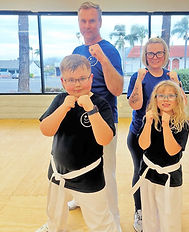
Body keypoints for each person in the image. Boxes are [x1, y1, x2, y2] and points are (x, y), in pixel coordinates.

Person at [36, 54, 120, 232]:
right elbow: (46, 130)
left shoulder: (100, 104)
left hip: (88, 176)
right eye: (71, 80)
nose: (77, 84)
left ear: (91, 78)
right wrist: (65, 107)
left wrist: (91, 109)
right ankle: (53, 228)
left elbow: (105, 139)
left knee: (100, 221)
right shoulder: (60, 100)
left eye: (82, 78)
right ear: (62, 81)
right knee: (54, 213)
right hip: (58, 171)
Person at [69, 1, 124, 229]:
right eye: (83, 20)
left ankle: (114, 220)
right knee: (77, 163)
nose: (88, 25)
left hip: (103, 118)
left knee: (106, 172)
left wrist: (102, 58)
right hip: (80, 120)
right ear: (79, 23)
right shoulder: (77, 51)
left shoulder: (110, 50)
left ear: (100, 22)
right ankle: (80, 198)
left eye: (92, 20)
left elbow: (118, 89)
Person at [127, 37, 187, 232]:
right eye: (150, 53)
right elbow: (135, 105)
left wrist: (177, 82)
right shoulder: (139, 76)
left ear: (165, 55)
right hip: (141, 132)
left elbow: (183, 105)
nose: (154, 57)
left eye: (159, 52)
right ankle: (140, 212)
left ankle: (160, 210)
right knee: (141, 172)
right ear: (145, 56)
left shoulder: (171, 75)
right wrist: (139, 80)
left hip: (166, 134)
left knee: (162, 172)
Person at [137, 80, 189, 231]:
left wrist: (166, 126)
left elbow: (172, 151)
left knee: (169, 215)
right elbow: (143, 145)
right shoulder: (150, 119)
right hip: (148, 174)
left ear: (177, 99)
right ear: (155, 99)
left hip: (169, 177)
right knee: (150, 213)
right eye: (161, 95)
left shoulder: (182, 123)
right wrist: (147, 123)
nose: (165, 99)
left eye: (170, 96)